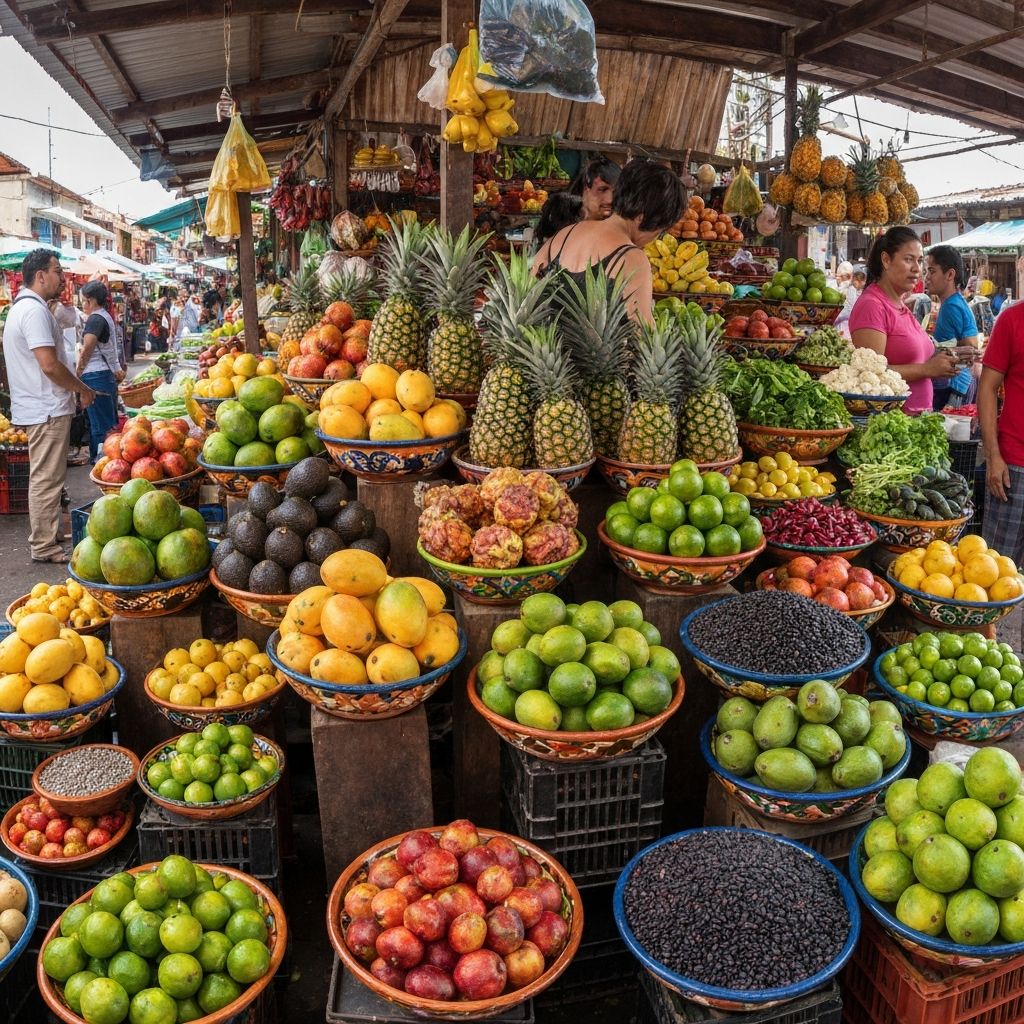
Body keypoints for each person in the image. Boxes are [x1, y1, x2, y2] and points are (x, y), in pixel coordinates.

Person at [2, 249, 95, 563]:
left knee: (48, 476)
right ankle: (43, 545)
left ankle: (50, 536)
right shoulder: (33, 311)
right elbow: (49, 365)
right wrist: (81, 389)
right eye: (57, 270)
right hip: (47, 408)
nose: (61, 277)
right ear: (40, 276)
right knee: (45, 478)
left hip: (42, 406)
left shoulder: (26, 309)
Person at [533, 159, 686, 323]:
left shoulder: (562, 235)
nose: (654, 238)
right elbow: (643, 334)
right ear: (642, 218)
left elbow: (527, 299)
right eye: (660, 230)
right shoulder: (632, 259)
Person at [849, 227, 958, 412]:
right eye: (908, 259)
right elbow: (870, 374)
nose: (917, 269)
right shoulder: (872, 305)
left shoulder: (900, 305)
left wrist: (944, 358)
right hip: (892, 427)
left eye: (920, 261)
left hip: (916, 425)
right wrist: (927, 369)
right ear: (886, 260)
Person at [979, 299, 1024, 564]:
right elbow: (987, 388)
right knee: (993, 569)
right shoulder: (1012, 319)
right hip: (1014, 468)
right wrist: (993, 455)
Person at [77, 282, 127, 464]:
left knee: (101, 425)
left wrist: (78, 372)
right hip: (102, 376)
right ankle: (103, 461)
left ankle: (103, 463)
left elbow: (87, 348)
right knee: (104, 422)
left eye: (83, 300)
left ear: (90, 300)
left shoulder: (95, 319)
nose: (82, 304)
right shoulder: (105, 317)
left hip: (96, 376)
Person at [926, 246, 979, 411]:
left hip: (954, 388)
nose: (926, 277)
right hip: (958, 386)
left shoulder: (951, 307)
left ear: (950, 274)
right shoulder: (956, 302)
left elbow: (971, 348)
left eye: (932, 271)